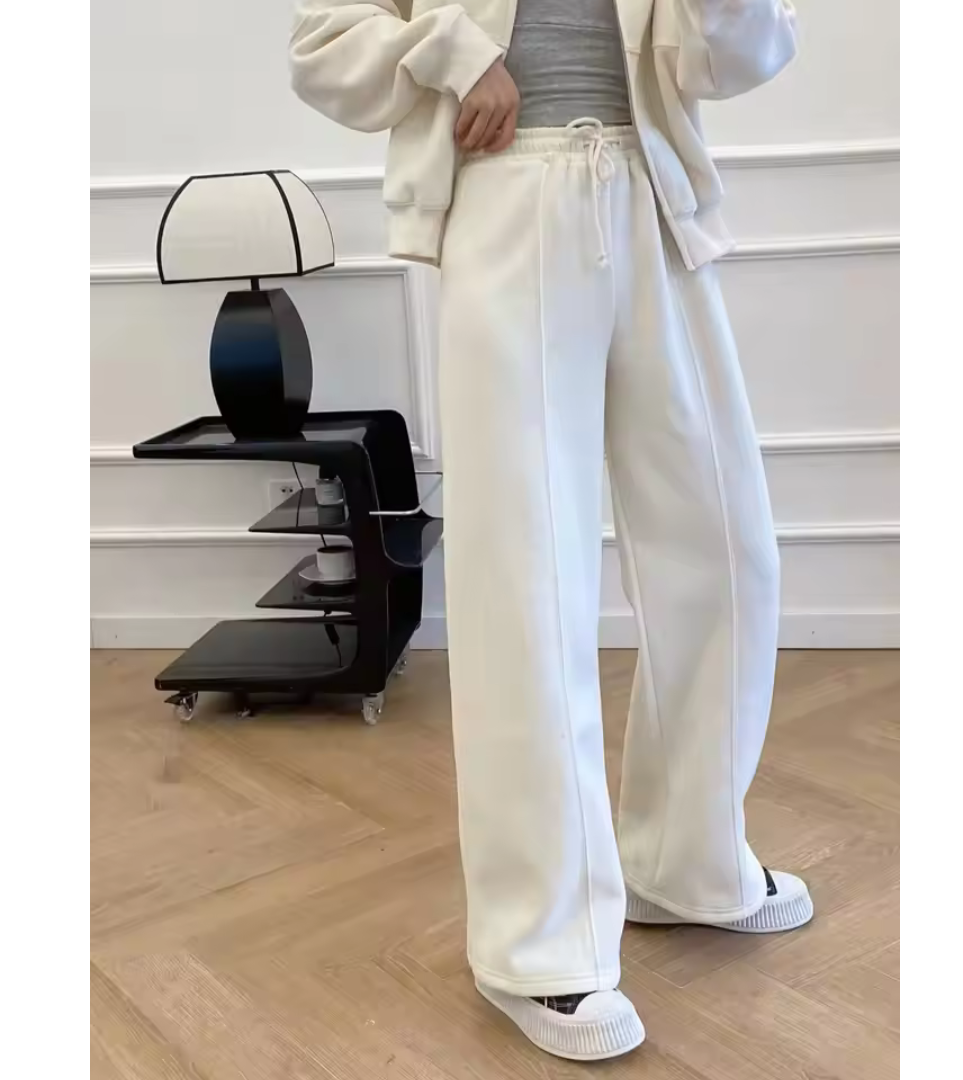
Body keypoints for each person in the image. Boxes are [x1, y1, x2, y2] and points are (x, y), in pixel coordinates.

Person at [290, 0, 807, 1061]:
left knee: (727, 550)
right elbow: (324, 45)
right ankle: (542, 944)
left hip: (652, 191)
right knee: (528, 577)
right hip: (505, 192)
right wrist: (453, 50)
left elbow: (739, 52)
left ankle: (687, 859)